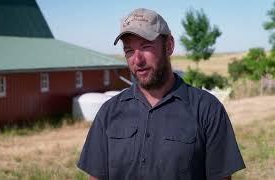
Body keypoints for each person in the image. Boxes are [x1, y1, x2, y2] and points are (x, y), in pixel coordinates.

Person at [77, 8, 245, 180]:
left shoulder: (207, 109)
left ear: (169, 45)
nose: (138, 60)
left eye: (146, 46)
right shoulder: (109, 112)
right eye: (129, 51)